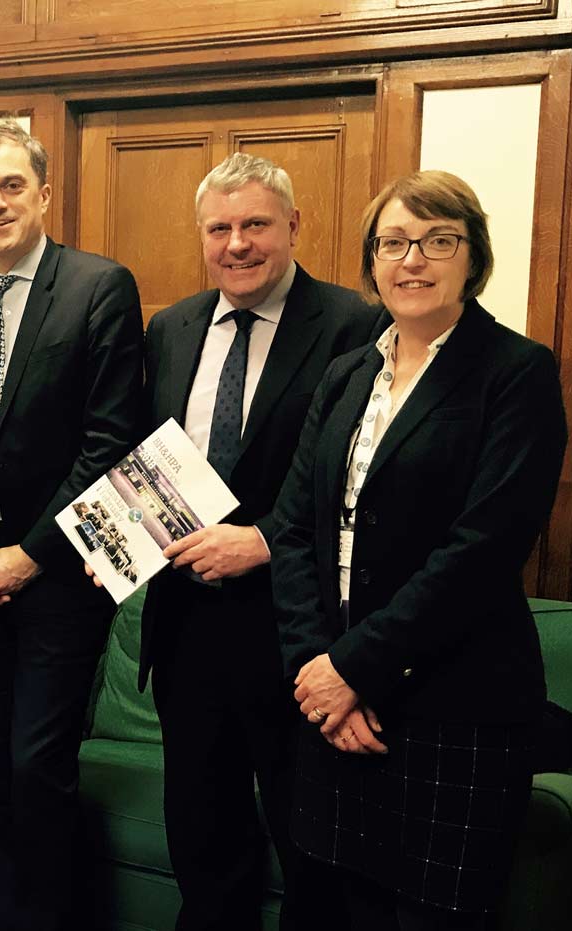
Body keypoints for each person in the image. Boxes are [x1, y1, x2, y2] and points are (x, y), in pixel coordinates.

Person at [272, 170, 568, 930]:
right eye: (394, 242)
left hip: (451, 707)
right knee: (332, 911)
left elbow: (483, 548)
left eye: (439, 240)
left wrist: (353, 668)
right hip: (335, 707)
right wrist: (317, 671)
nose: (413, 260)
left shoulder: (515, 372)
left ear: (474, 256)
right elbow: (298, 527)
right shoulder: (347, 375)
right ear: (371, 261)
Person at [134, 153, 378, 930]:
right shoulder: (168, 328)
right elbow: (150, 461)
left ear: (294, 226)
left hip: (293, 627)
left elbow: (359, 483)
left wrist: (265, 542)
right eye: (220, 228)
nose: (236, 244)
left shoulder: (354, 325)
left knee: (310, 842)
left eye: (255, 225)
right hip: (185, 625)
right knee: (202, 836)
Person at [0, 120, 145, 931]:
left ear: (45, 193)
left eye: (12, 185)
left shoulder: (97, 287)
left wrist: (28, 555)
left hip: (59, 580)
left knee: (36, 765)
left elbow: (109, 446)